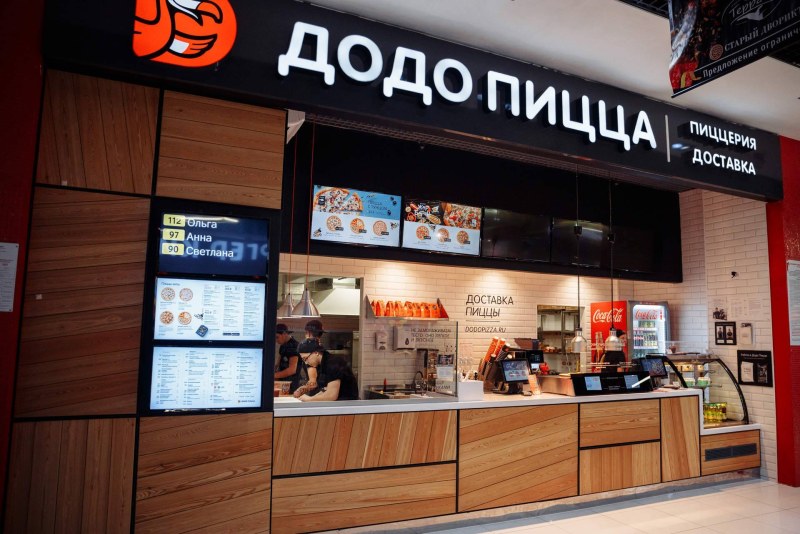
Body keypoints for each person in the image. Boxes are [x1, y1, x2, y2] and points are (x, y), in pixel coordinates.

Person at [294, 339, 359, 401]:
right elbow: (324, 389)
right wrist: (312, 398)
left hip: (347, 403)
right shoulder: (321, 363)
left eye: (305, 358)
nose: (306, 362)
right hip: (338, 402)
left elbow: (331, 395)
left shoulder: (333, 363)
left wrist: (309, 399)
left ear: (316, 353)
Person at [274, 324, 304, 393]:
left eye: (277, 337)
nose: (276, 340)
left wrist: (274, 375)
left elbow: (292, 370)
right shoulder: (283, 345)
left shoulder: (293, 346)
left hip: (292, 383)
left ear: (284, 334)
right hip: (283, 382)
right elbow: (278, 364)